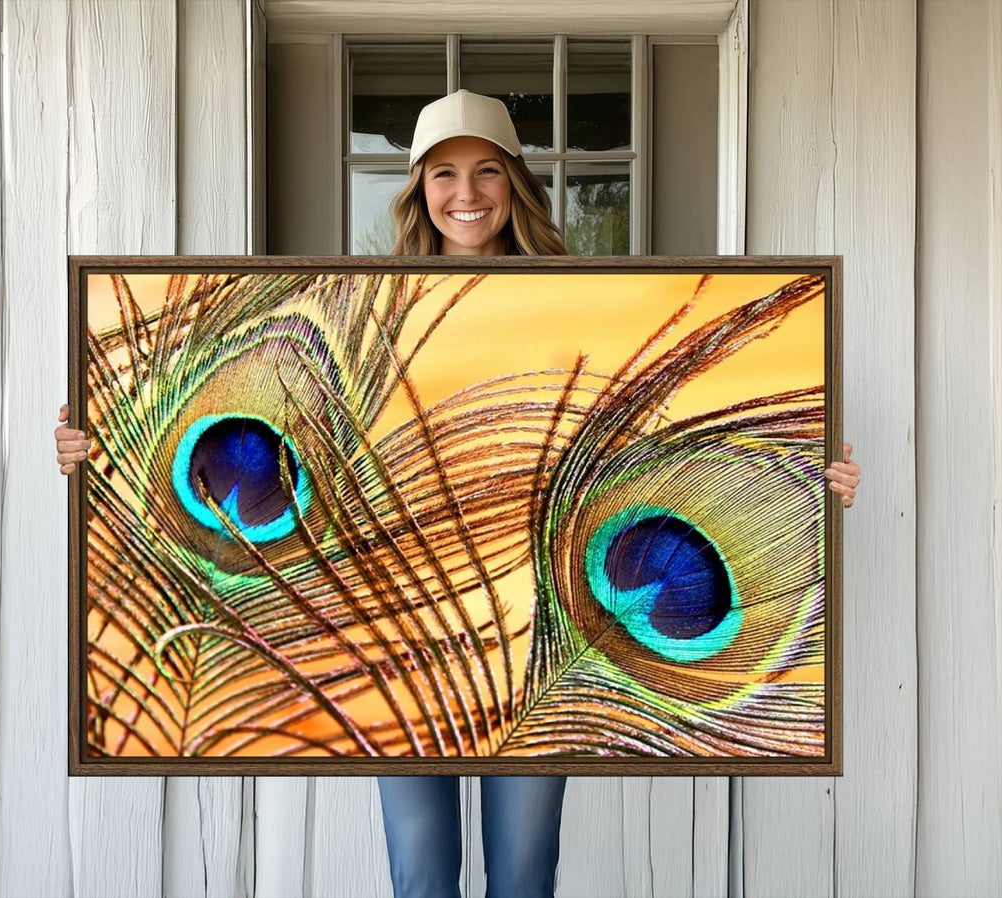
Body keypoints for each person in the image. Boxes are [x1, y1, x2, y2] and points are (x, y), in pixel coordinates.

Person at [53, 89, 862, 898]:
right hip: (390, 631)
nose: (466, 193)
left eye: (486, 171)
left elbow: (689, 429)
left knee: (522, 872)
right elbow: (246, 439)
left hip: (536, 635)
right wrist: (97, 443)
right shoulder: (361, 308)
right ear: (418, 191)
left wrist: (813, 485)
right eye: (444, 173)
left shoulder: (592, 304)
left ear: (514, 183)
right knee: (422, 872)